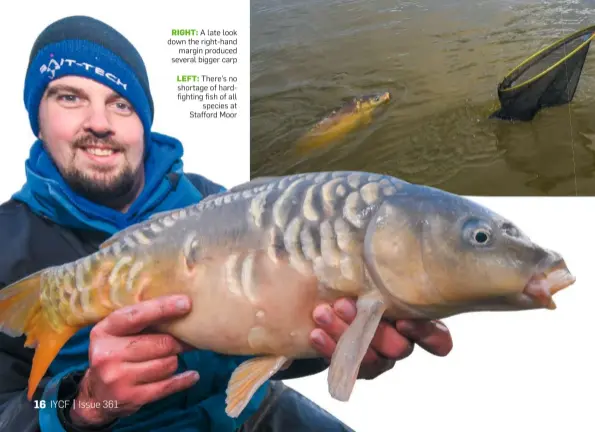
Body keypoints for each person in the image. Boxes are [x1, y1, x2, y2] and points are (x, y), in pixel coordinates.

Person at [0, 15, 453, 432]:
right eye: (70, 98)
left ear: (143, 118)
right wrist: (82, 406)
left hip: (246, 412)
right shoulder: (7, 243)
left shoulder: (216, 201)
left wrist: (337, 342)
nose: (99, 123)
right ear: (37, 118)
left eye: (120, 103)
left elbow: (267, 344)